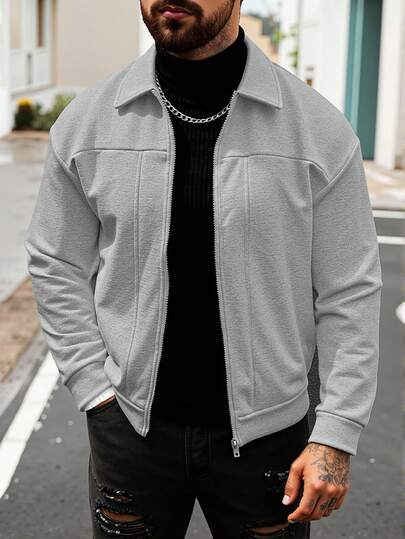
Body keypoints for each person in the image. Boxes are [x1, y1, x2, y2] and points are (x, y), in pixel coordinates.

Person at [24, 0, 383, 537]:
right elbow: (55, 261)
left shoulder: (316, 130)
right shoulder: (89, 121)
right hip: (130, 428)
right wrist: (93, 389)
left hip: (268, 436)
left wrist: (336, 431)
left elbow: (349, 290)